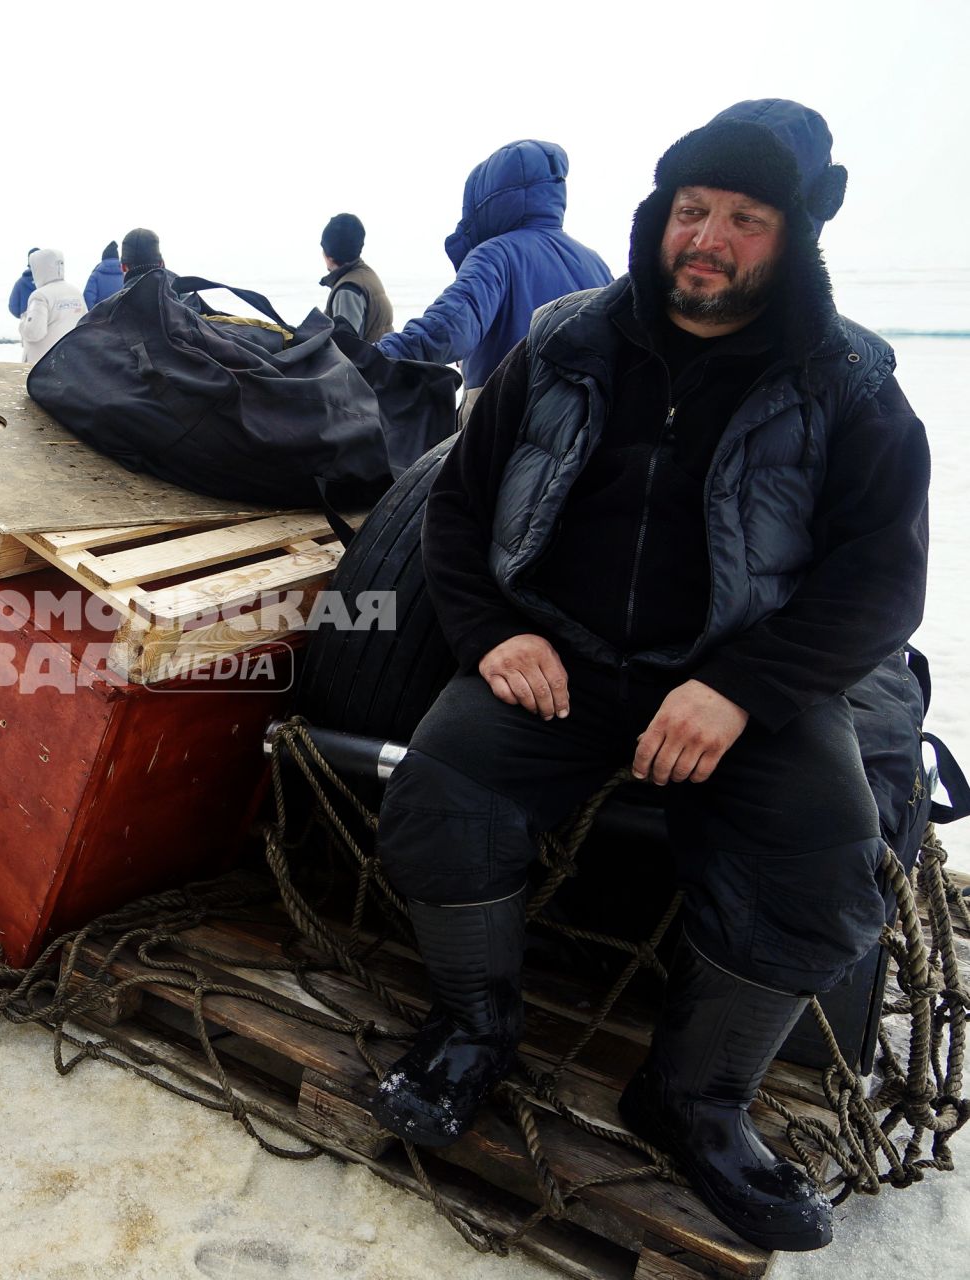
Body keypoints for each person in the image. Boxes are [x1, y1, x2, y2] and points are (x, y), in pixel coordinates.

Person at [367, 101, 929, 1255]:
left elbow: (880, 580)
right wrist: (488, 637)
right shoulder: (566, 339)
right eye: (689, 209)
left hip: (741, 680)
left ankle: (694, 1096)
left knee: (826, 844)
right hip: (558, 657)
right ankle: (476, 1023)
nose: (706, 238)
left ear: (791, 238)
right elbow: (459, 508)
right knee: (440, 783)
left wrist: (744, 686)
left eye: (741, 217)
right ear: (655, 216)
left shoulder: (848, 380)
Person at [377, 140, 612, 417]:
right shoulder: (597, 264)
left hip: (504, 420)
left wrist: (375, 358)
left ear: (487, 199)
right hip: (582, 428)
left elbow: (448, 329)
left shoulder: (494, 254)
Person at [318, 213, 393, 341]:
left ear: (328, 255)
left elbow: (347, 348)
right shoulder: (366, 276)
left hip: (367, 361)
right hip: (381, 358)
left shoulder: (348, 291)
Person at [17, 248, 87, 363]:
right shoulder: (75, 292)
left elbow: (34, 333)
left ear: (39, 269)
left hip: (42, 366)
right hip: (69, 361)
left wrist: (23, 321)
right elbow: (84, 326)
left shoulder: (40, 296)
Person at [82, 240, 124, 309]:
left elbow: (88, 299)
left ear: (103, 258)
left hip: (101, 318)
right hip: (121, 316)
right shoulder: (125, 275)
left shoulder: (96, 275)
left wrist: (92, 317)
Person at [7, 247, 39, 318]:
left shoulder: (20, 283)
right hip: (49, 325)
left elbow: (13, 307)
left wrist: (24, 318)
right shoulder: (50, 282)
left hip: (28, 324)